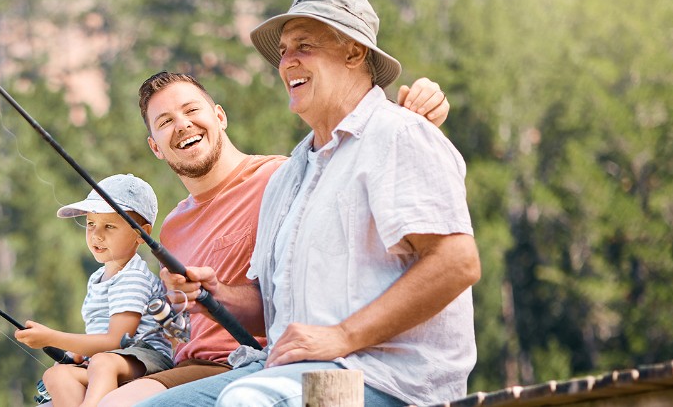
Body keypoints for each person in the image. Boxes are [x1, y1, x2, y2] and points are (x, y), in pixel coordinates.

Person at [147, 0, 482, 406]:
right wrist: (214, 295)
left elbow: (456, 262)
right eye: (284, 51)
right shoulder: (288, 176)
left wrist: (343, 336)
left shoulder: (399, 134)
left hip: (385, 380)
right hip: (282, 369)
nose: (287, 62)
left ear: (355, 53)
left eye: (304, 46)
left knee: (247, 402)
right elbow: (271, 308)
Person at [96, 69, 449, 406]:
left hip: (271, 366)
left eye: (191, 110)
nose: (183, 124)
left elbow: (356, 171)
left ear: (220, 116)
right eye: (165, 121)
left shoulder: (282, 179)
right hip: (194, 368)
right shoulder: (172, 226)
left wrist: (413, 114)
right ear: (155, 147)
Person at [15, 174, 175, 407]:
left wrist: (51, 338)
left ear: (141, 234)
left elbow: (116, 341)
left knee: (102, 363)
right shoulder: (97, 278)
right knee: (55, 376)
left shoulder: (133, 277)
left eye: (109, 226)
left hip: (144, 359)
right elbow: (97, 333)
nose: (97, 235)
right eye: (91, 224)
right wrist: (74, 356)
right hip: (108, 360)